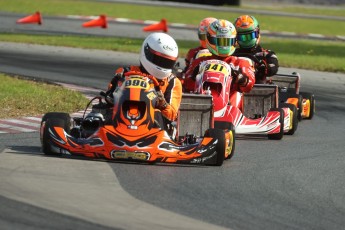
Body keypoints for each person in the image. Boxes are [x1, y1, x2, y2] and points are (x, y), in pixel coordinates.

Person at [106, 32, 182, 125]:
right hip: (122, 119)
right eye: (158, 60)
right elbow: (109, 99)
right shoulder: (126, 72)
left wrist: (162, 103)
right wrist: (115, 88)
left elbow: (171, 116)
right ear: (147, 52)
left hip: (154, 126)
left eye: (167, 62)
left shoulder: (172, 82)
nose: (162, 65)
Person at [184, 19, 255, 110]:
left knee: (237, 94)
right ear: (210, 39)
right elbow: (187, 84)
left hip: (231, 107)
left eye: (227, 42)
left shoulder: (240, 63)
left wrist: (240, 78)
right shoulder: (200, 62)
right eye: (220, 42)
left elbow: (249, 85)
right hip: (201, 106)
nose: (224, 46)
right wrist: (194, 76)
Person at [233, 15, 279, 84]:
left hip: (258, 89)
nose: (247, 40)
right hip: (235, 88)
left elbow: (273, 67)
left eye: (250, 36)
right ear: (236, 37)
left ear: (257, 33)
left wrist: (264, 67)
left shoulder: (267, 54)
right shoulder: (233, 55)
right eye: (242, 37)